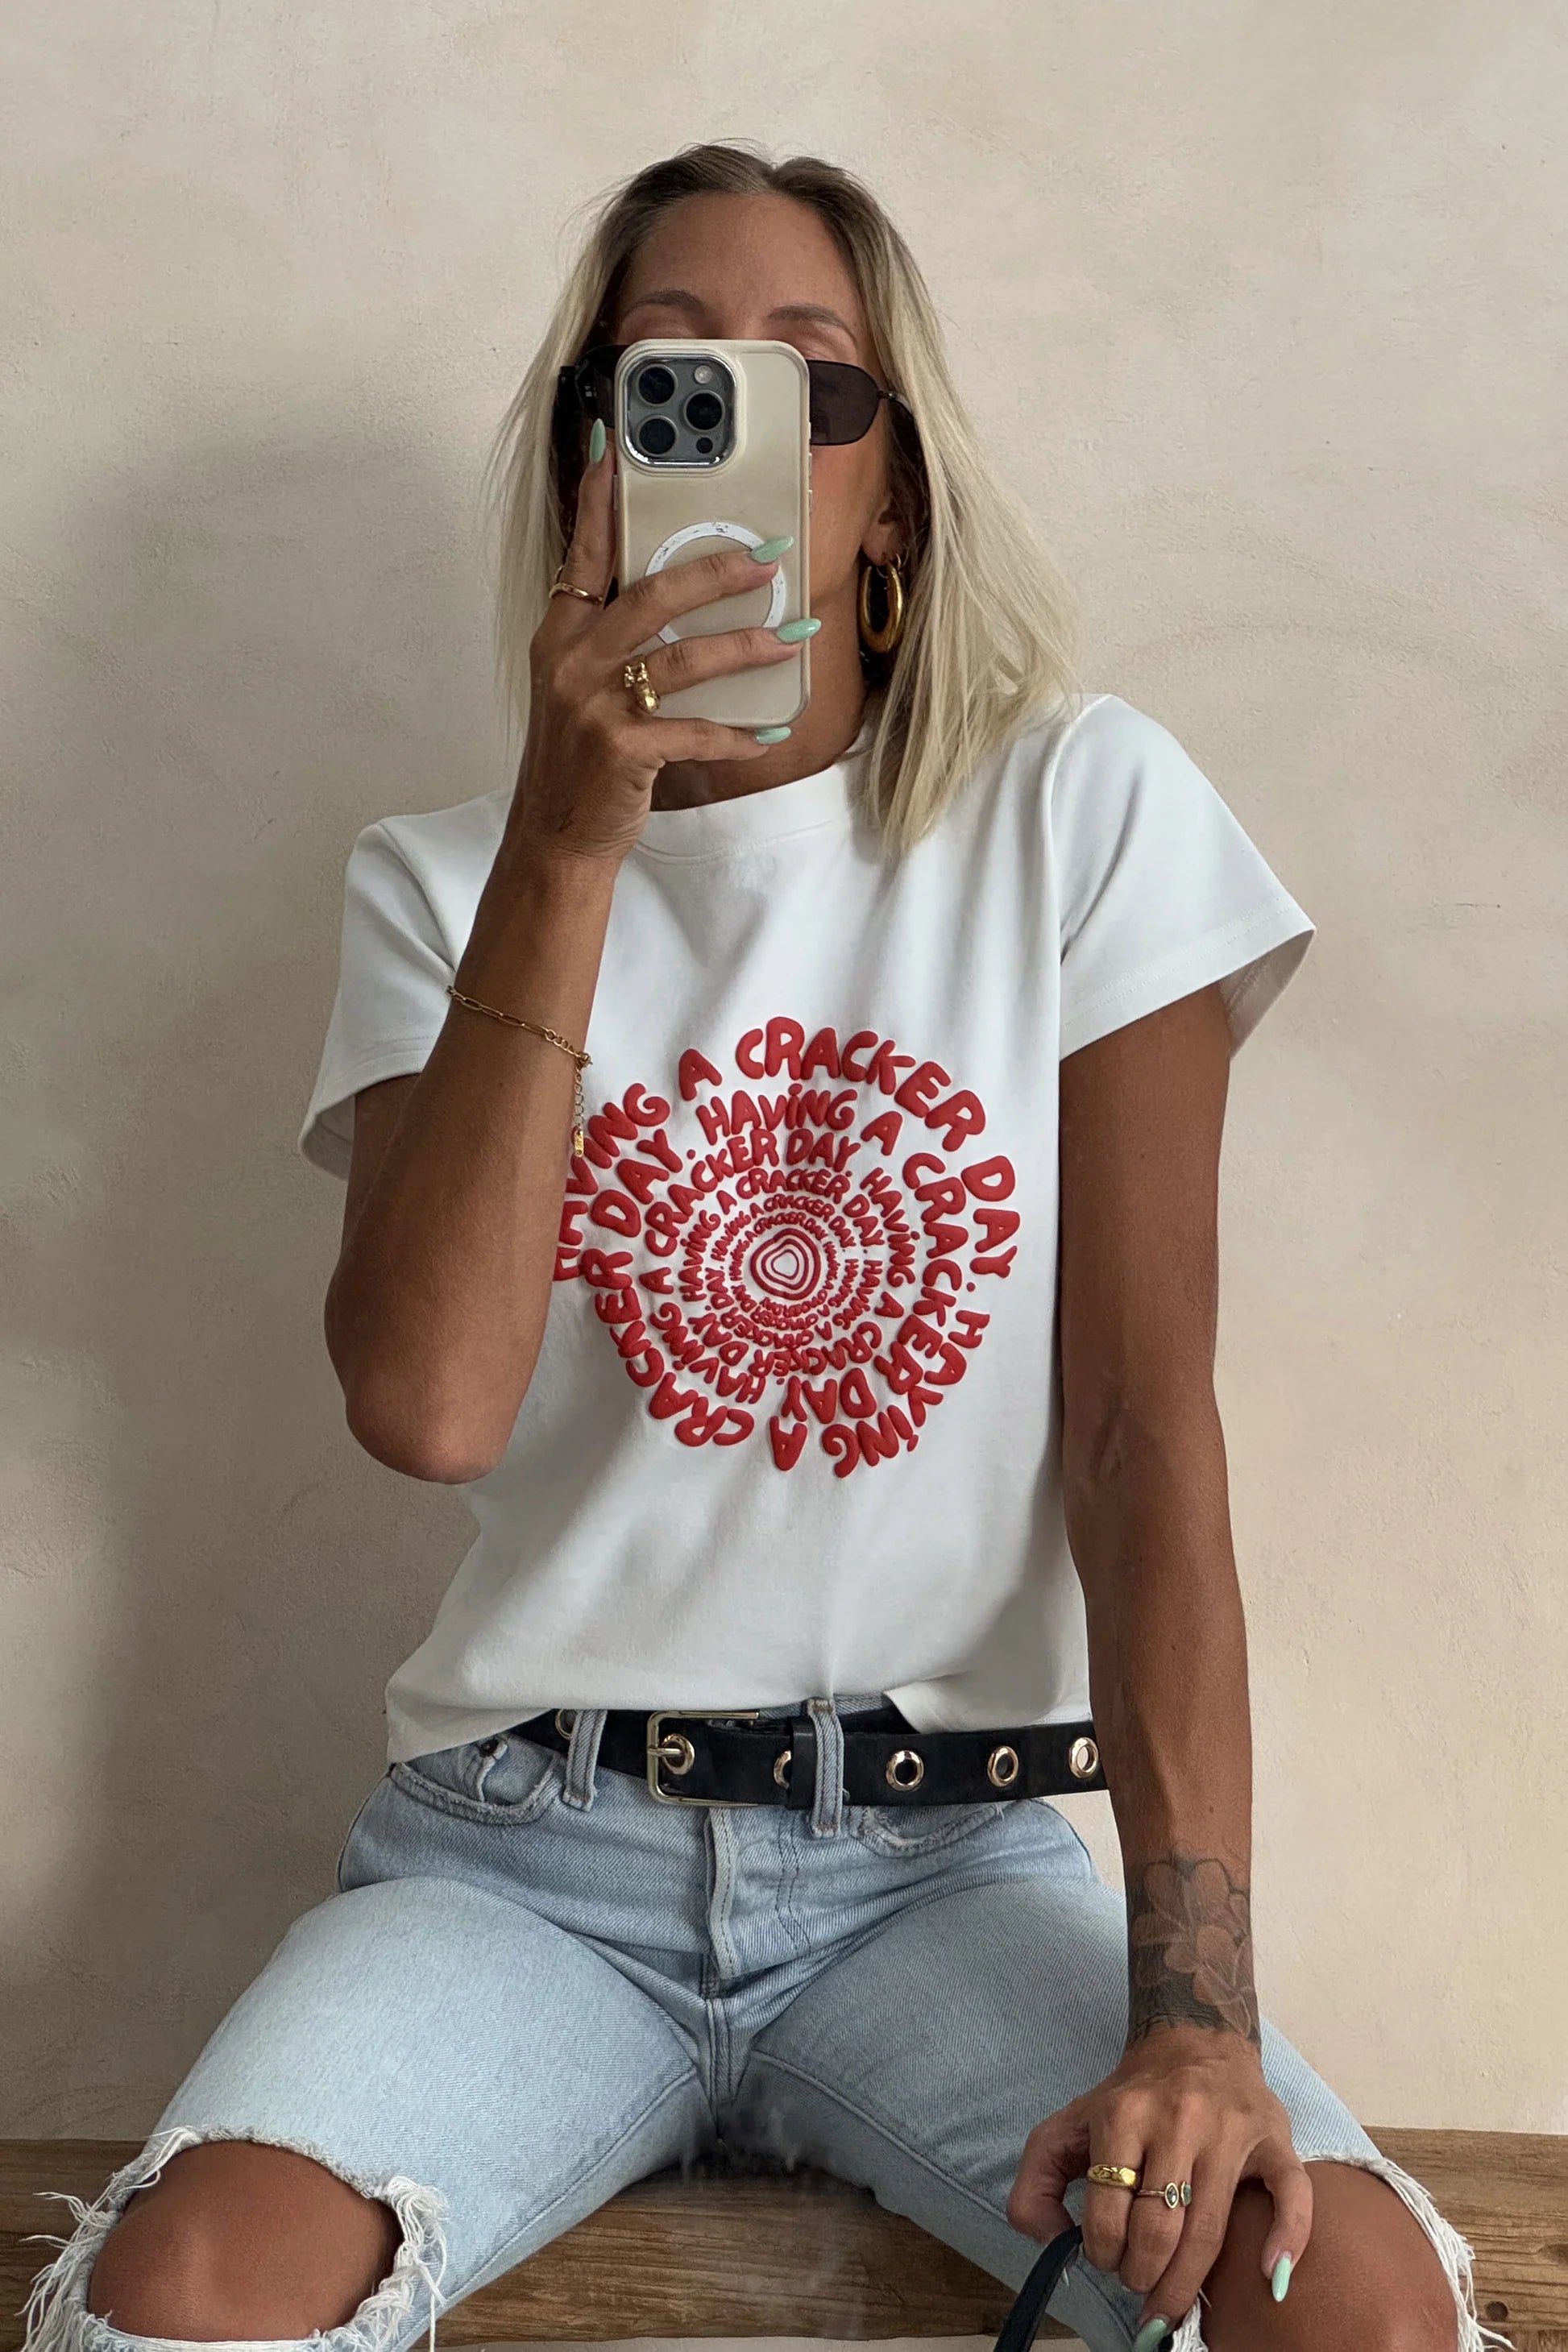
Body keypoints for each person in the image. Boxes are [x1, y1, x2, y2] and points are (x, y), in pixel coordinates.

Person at [25, 143, 1504, 2352]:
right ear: (592, 466)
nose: (742, 421)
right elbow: (429, 1405)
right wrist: (570, 835)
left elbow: (1137, 1431)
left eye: (813, 379)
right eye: (669, 377)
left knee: (1342, 2304)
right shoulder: (438, 883)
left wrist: (1195, 2015)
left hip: (943, 1871)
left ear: (890, 494)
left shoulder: (1079, 816)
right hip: (525, 1862)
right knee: (186, 2295)